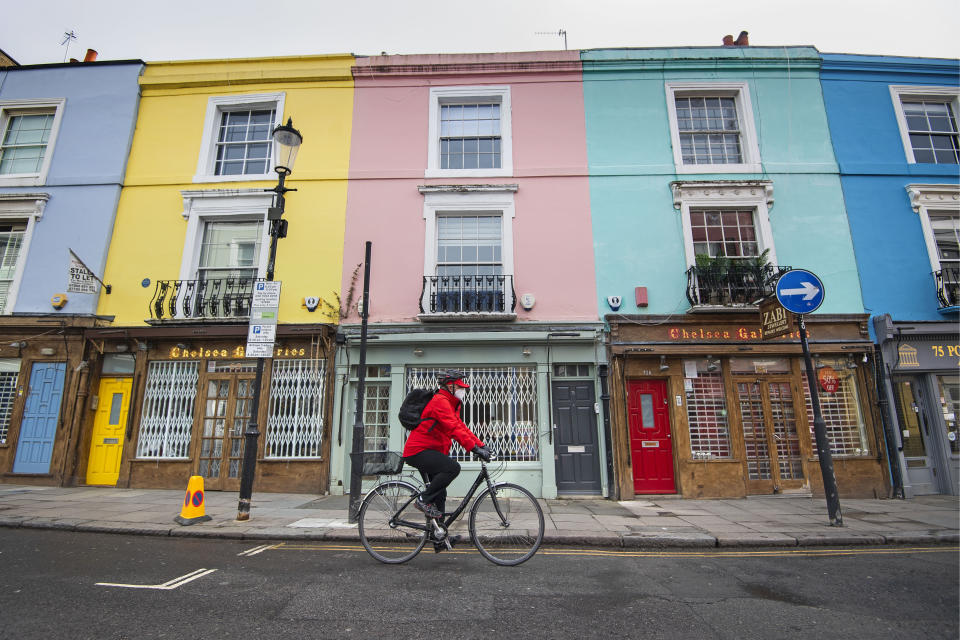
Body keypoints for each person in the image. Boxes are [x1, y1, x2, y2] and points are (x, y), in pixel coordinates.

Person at [402, 370, 492, 552]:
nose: (462, 390)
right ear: (449, 386)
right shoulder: (440, 402)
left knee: (440, 493)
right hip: (418, 451)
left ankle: (438, 538)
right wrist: (474, 449)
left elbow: (460, 427)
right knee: (452, 468)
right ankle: (423, 500)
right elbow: (453, 429)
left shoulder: (450, 404)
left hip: (431, 450)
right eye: (459, 386)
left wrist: (481, 444)